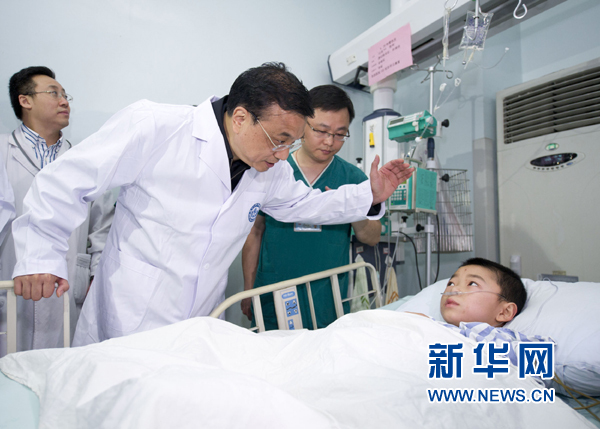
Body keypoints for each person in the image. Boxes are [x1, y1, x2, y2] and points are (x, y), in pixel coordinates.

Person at [11, 62, 414, 347]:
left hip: (198, 322)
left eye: (291, 143)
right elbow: (66, 181)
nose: (283, 154)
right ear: (240, 117)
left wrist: (370, 195)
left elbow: (307, 204)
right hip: (129, 316)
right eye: (279, 140)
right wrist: (39, 256)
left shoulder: (269, 169)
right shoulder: (157, 126)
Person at [241, 85, 381, 330]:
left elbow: (372, 237)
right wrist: (248, 288)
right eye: (321, 131)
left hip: (328, 295)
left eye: (340, 134)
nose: (330, 142)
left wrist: (350, 208)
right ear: (303, 124)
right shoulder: (272, 169)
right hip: (274, 288)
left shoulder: (353, 179)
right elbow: (254, 232)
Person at [0, 66, 114, 354]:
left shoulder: (84, 160)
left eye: (65, 95)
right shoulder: (2, 152)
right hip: (11, 285)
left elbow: (101, 228)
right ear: (25, 100)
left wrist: (94, 278)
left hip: (67, 291)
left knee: (60, 370)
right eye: (53, 93)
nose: (64, 101)